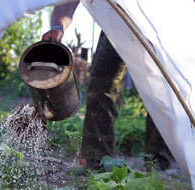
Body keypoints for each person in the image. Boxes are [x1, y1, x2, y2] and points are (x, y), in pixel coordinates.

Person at [42, 1, 171, 170]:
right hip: (118, 18)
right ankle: (96, 158)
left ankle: (159, 163)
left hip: (161, 17)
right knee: (102, 82)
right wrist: (58, 26)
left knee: (164, 87)